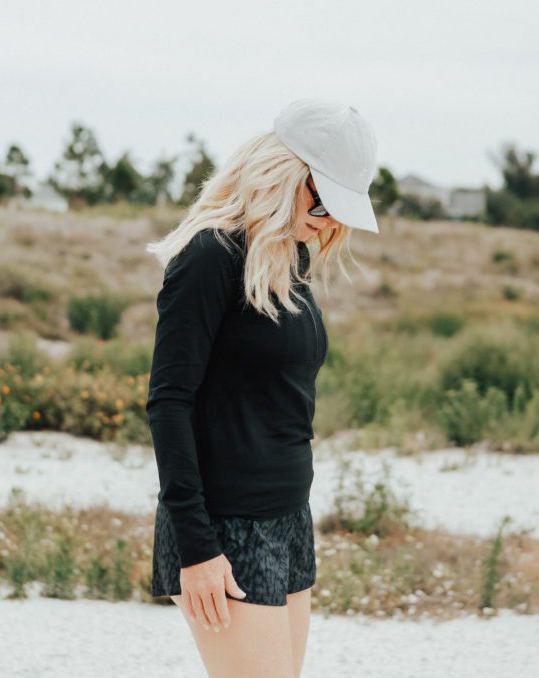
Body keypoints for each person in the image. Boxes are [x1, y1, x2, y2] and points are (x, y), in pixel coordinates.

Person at [145, 98, 380, 677]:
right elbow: (169, 403)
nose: (329, 221)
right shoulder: (210, 257)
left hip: (287, 517)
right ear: (281, 173)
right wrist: (197, 548)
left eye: (339, 209)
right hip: (224, 526)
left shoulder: (285, 257)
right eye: (321, 200)